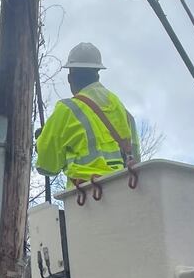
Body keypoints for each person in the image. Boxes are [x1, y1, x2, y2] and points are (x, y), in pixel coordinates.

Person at [33, 42, 138, 183]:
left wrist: (41, 142)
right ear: (98, 75)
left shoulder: (67, 109)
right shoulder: (122, 110)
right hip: (124, 190)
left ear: (70, 78)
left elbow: (47, 166)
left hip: (86, 196)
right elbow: (136, 158)